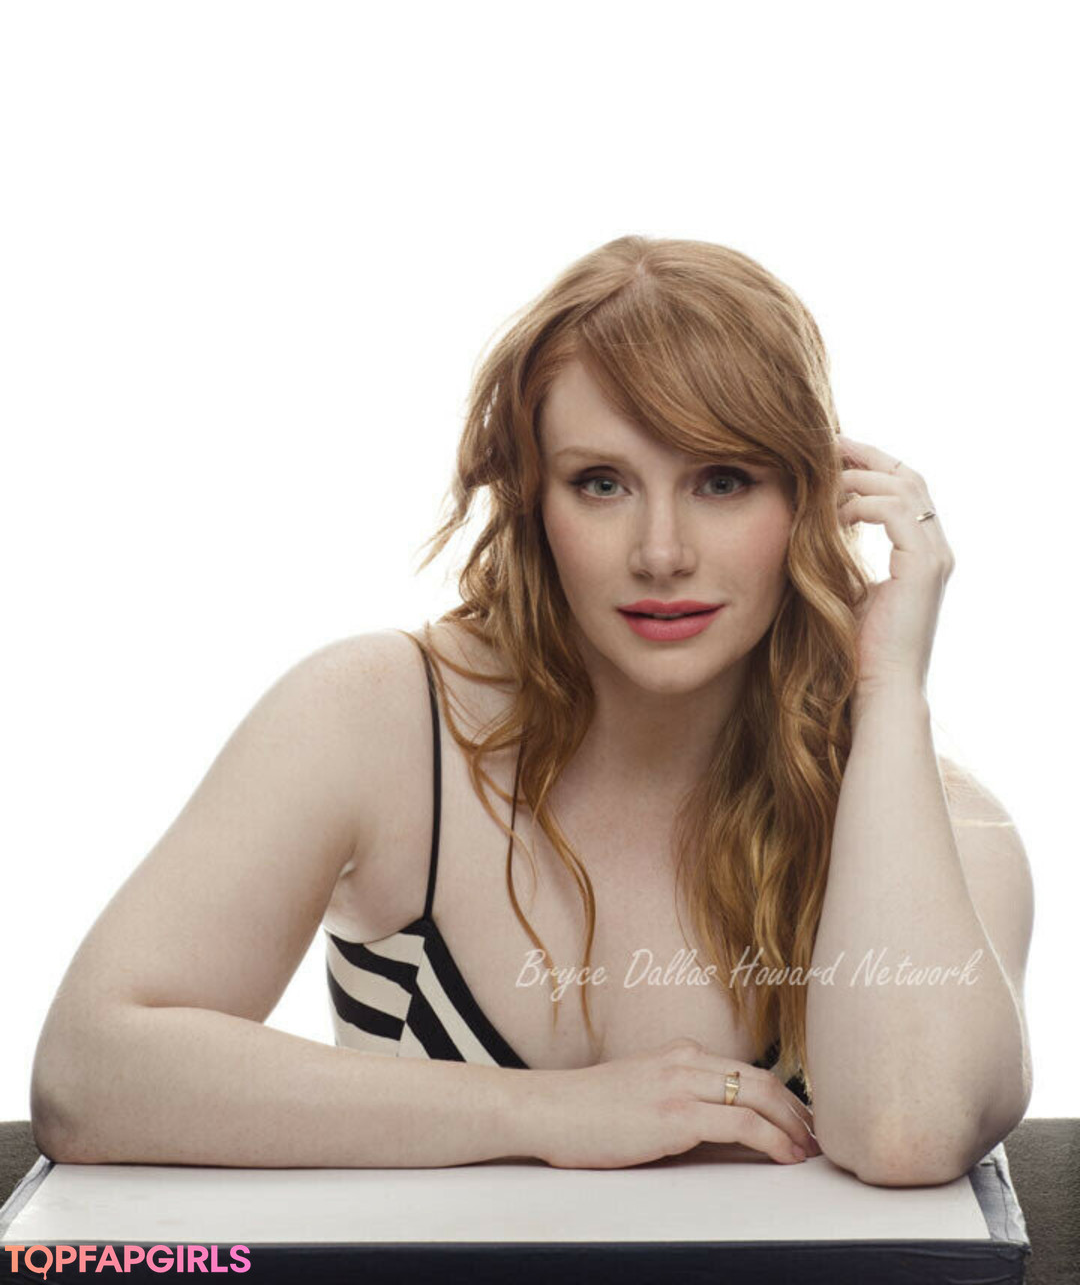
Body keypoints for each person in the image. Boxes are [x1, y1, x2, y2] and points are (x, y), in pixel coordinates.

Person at [29, 235, 1032, 1185]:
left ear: (811, 500)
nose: (662, 552)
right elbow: (86, 1077)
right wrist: (550, 1113)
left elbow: (908, 1129)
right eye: (601, 483)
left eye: (723, 480)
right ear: (531, 501)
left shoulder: (930, 821)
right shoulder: (379, 721)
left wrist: (887, 693)